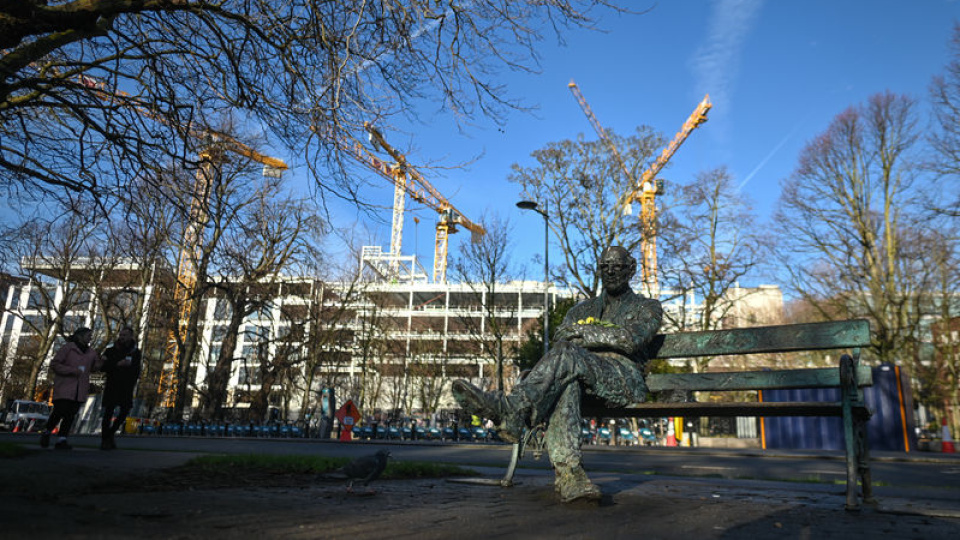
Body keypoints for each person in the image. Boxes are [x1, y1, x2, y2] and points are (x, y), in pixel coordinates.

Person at [452, 246, 662, 503]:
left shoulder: (648, 307)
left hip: (622, 378)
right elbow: (561, 336)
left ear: (630, 270)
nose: (610, 271)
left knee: (567, 356)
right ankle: (571, 477)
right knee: (566, 382)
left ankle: (513, 410)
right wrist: (599, 337)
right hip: (582, 378)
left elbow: (630, 340)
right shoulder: (581, 311)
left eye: (617, 266)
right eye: (605, 266)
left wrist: (585, 334)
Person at [40, 327, 102, 450]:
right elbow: (55, 364)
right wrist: (73, 371)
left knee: (71, 414)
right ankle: (47, 431)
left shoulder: (91, 352)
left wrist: (102, 362)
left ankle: (62, 439)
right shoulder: (68, 348)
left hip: (80, 389)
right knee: (59, 411)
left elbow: (95, 367)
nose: (90, 337)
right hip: (65, 386)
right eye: (88, 335)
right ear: (80, 336)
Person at [99, 326, 142, 450]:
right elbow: (103, 367)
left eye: (125, 335)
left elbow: (137, 369)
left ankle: (110, 434)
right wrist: (117, 364)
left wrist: (133, 380)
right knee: (108, 412)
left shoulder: (135, 352)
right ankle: (105, 439)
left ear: (131, 336)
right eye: (121, 335)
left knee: (125, 410)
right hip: (112, 384)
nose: (122, 337)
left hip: (126, 386)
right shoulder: (110, 351)